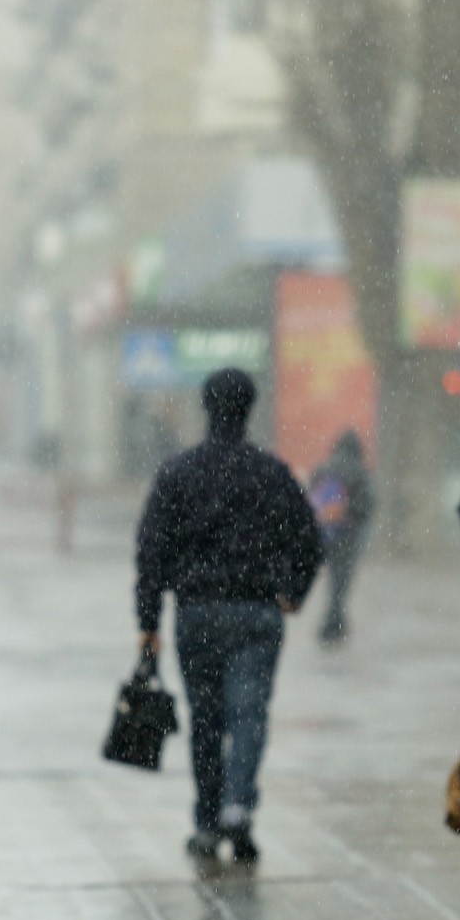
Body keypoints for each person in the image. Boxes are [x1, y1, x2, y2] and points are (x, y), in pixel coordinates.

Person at [135, 368, 322, 864]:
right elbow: (309, 538)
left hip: (197, 613)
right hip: (257, 613)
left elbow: (150, 552)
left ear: (206, 407)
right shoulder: (272, 474)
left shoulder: (179, 473)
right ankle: (238, 807)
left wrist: (148, 622)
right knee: (249, 715)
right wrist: (294, 592)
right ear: (249, 409)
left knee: (206, 720)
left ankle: (206, 821)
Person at [307, 430, 373, 647]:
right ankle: (333, 624)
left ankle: (334, 622)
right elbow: (366, 505)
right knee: (340, 583)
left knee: (332, 581)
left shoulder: (323, 468)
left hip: (324, 534)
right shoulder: (359, 472)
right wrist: (351, 519)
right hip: (347, 537)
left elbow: (311, 498)